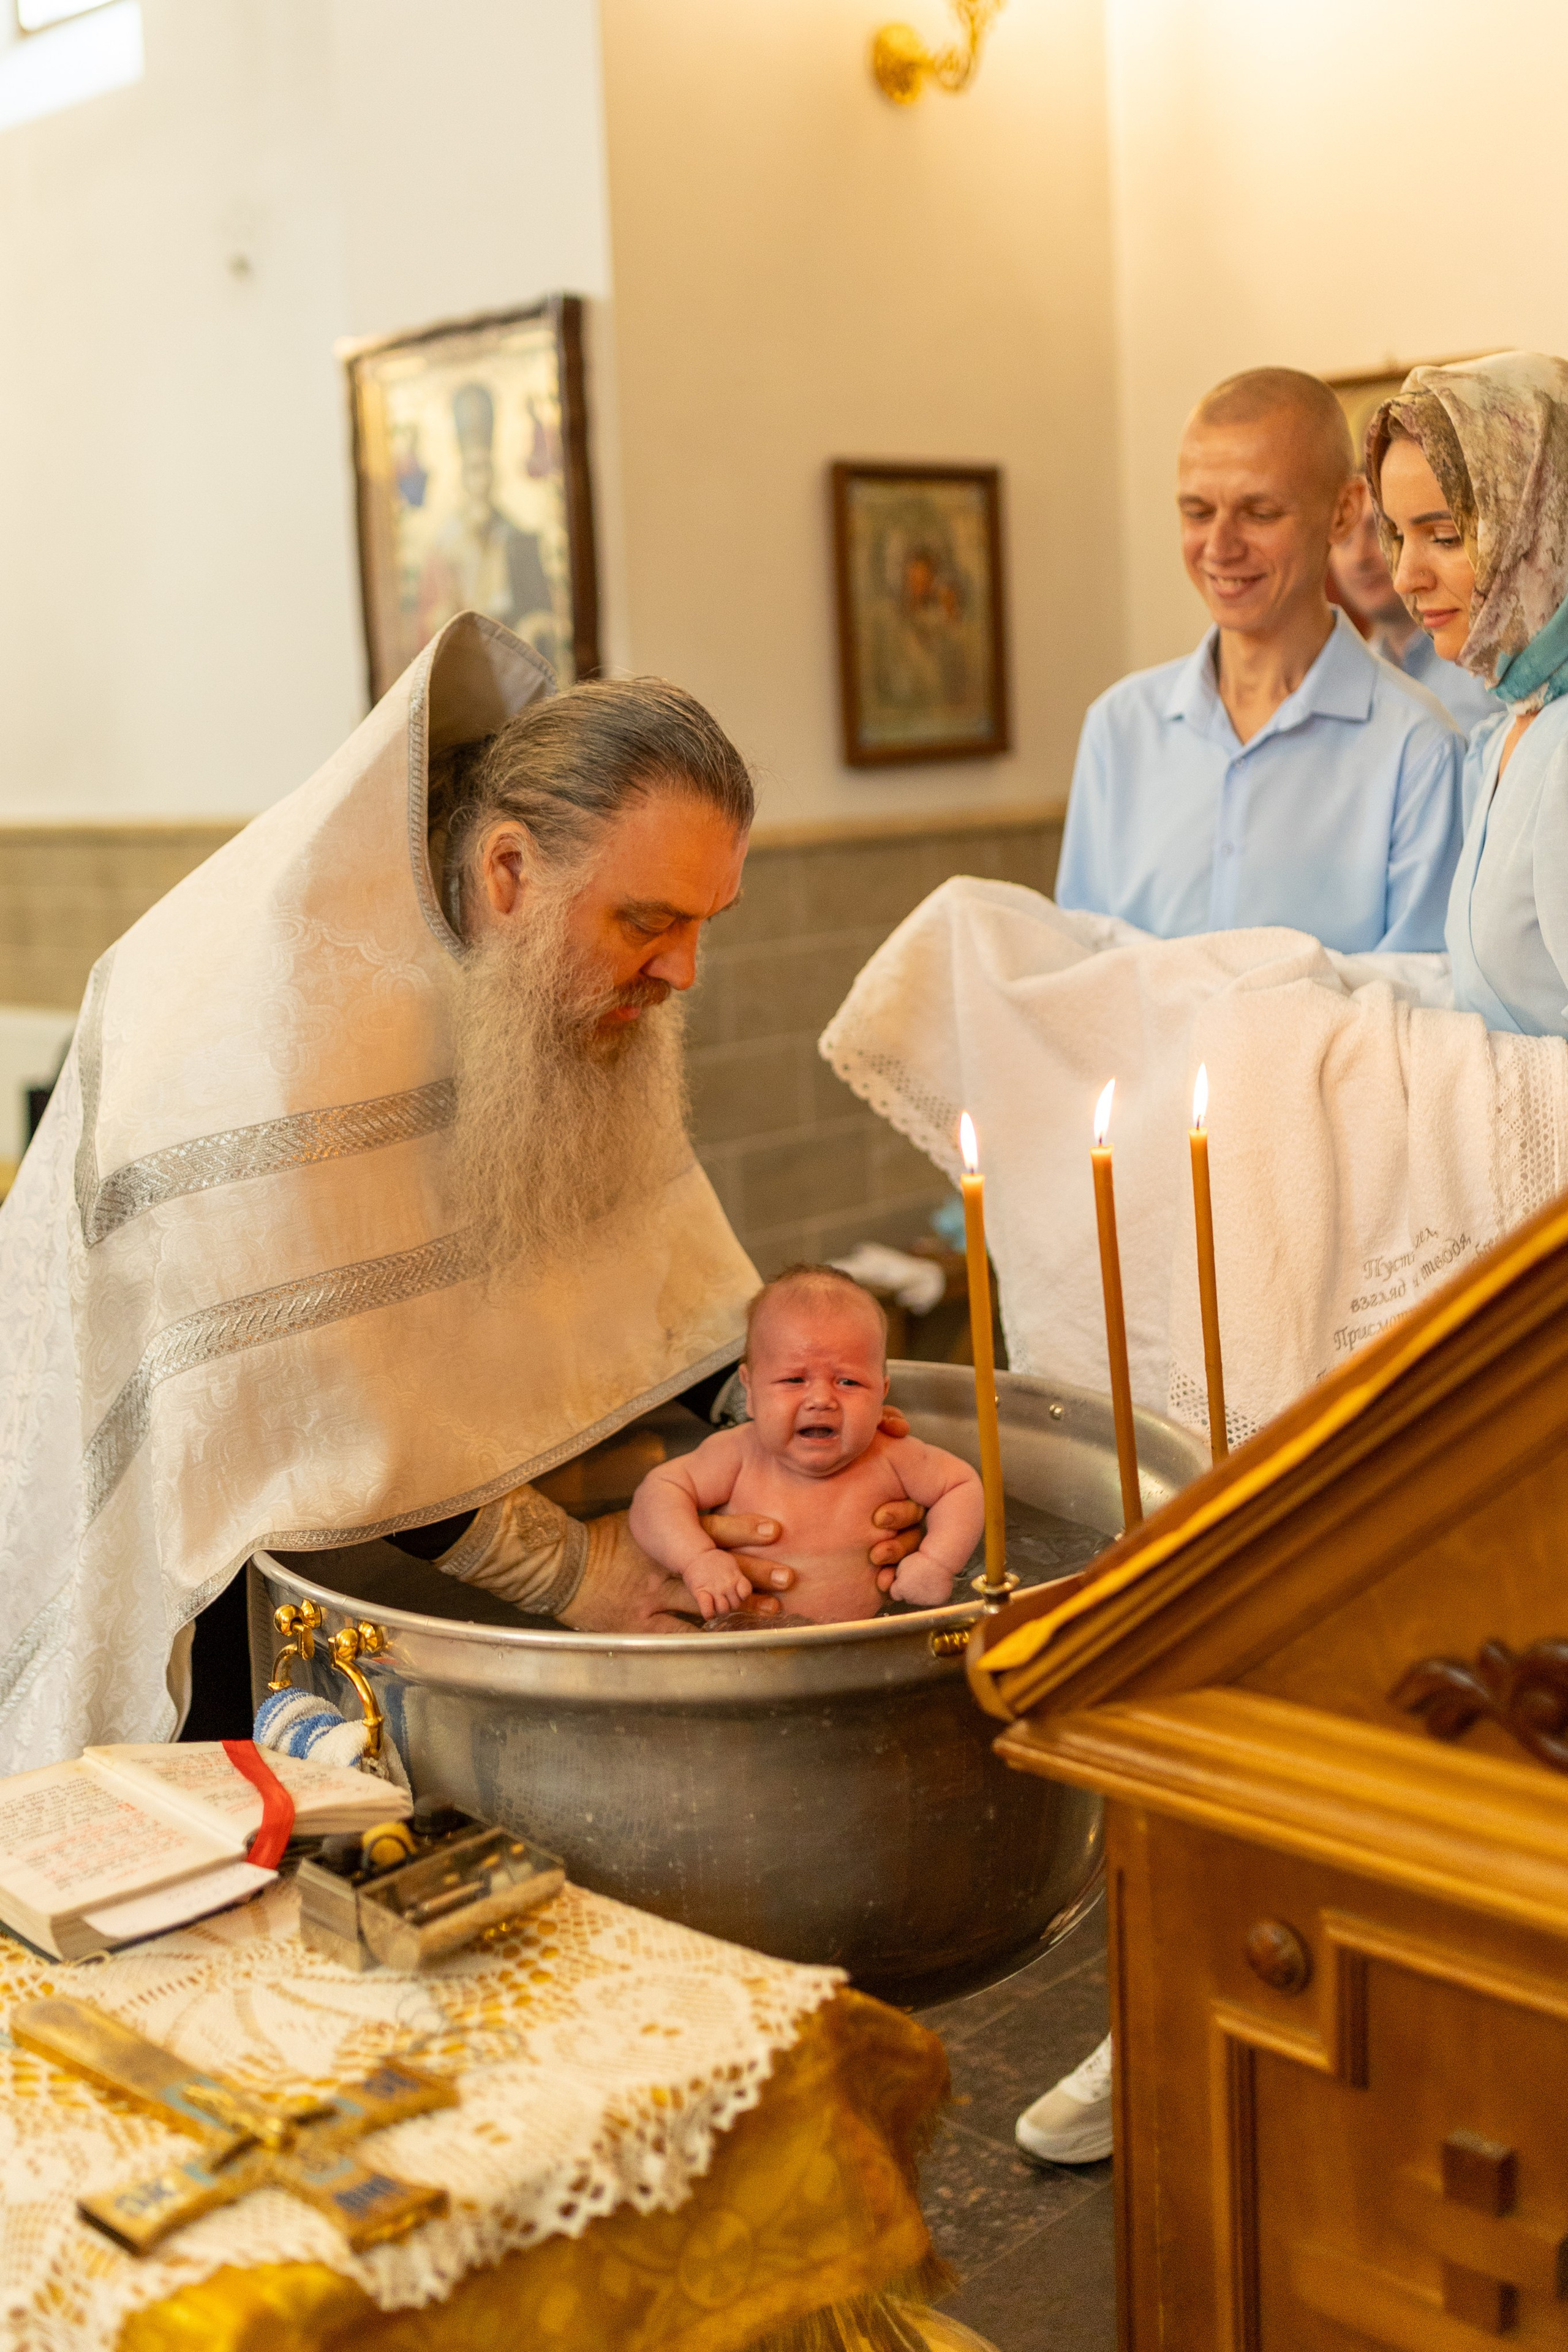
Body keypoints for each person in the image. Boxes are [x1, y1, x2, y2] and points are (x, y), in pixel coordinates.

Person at [0, 614, 925, 1771]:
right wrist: (569, 1568)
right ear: (507, 873)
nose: (685, 970)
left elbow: (632, 1263)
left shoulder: (548, 969)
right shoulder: (264, 1036)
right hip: (205, 1577)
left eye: (706, 924)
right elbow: (310, 1401)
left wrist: (783, 1424)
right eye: (650, 922)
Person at [1057, 366, 1464, 952]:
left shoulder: (1419, 751)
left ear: (1345, 512)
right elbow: (1079, 975)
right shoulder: (1118, 730)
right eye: (1198, 512)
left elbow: (1415, 1012)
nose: (1219, 548)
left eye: (1260, 513)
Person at [1368, 352, 1568, 1038]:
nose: (1405, 577)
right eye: (1395, 536)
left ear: (1541, 525)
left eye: (1445, 536)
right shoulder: (1507, 732)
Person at [630, 1266, 983, 1624]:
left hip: (870, 1639)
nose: (820, 1399)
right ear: (749, 1391)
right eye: (794, 1379)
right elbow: (657, 1492)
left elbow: (961, 1485)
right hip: (748, 1644)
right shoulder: (736, 1455)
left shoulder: (890, 1454)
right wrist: (697, 1558)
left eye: (848, 1382)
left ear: (882, 1393)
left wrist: (936, 1561)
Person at [1330, 478, 1496, 735]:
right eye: (1344, 540)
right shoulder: (1345, 681)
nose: (1360, 557)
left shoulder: (1491, 669)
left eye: (1380, 532)